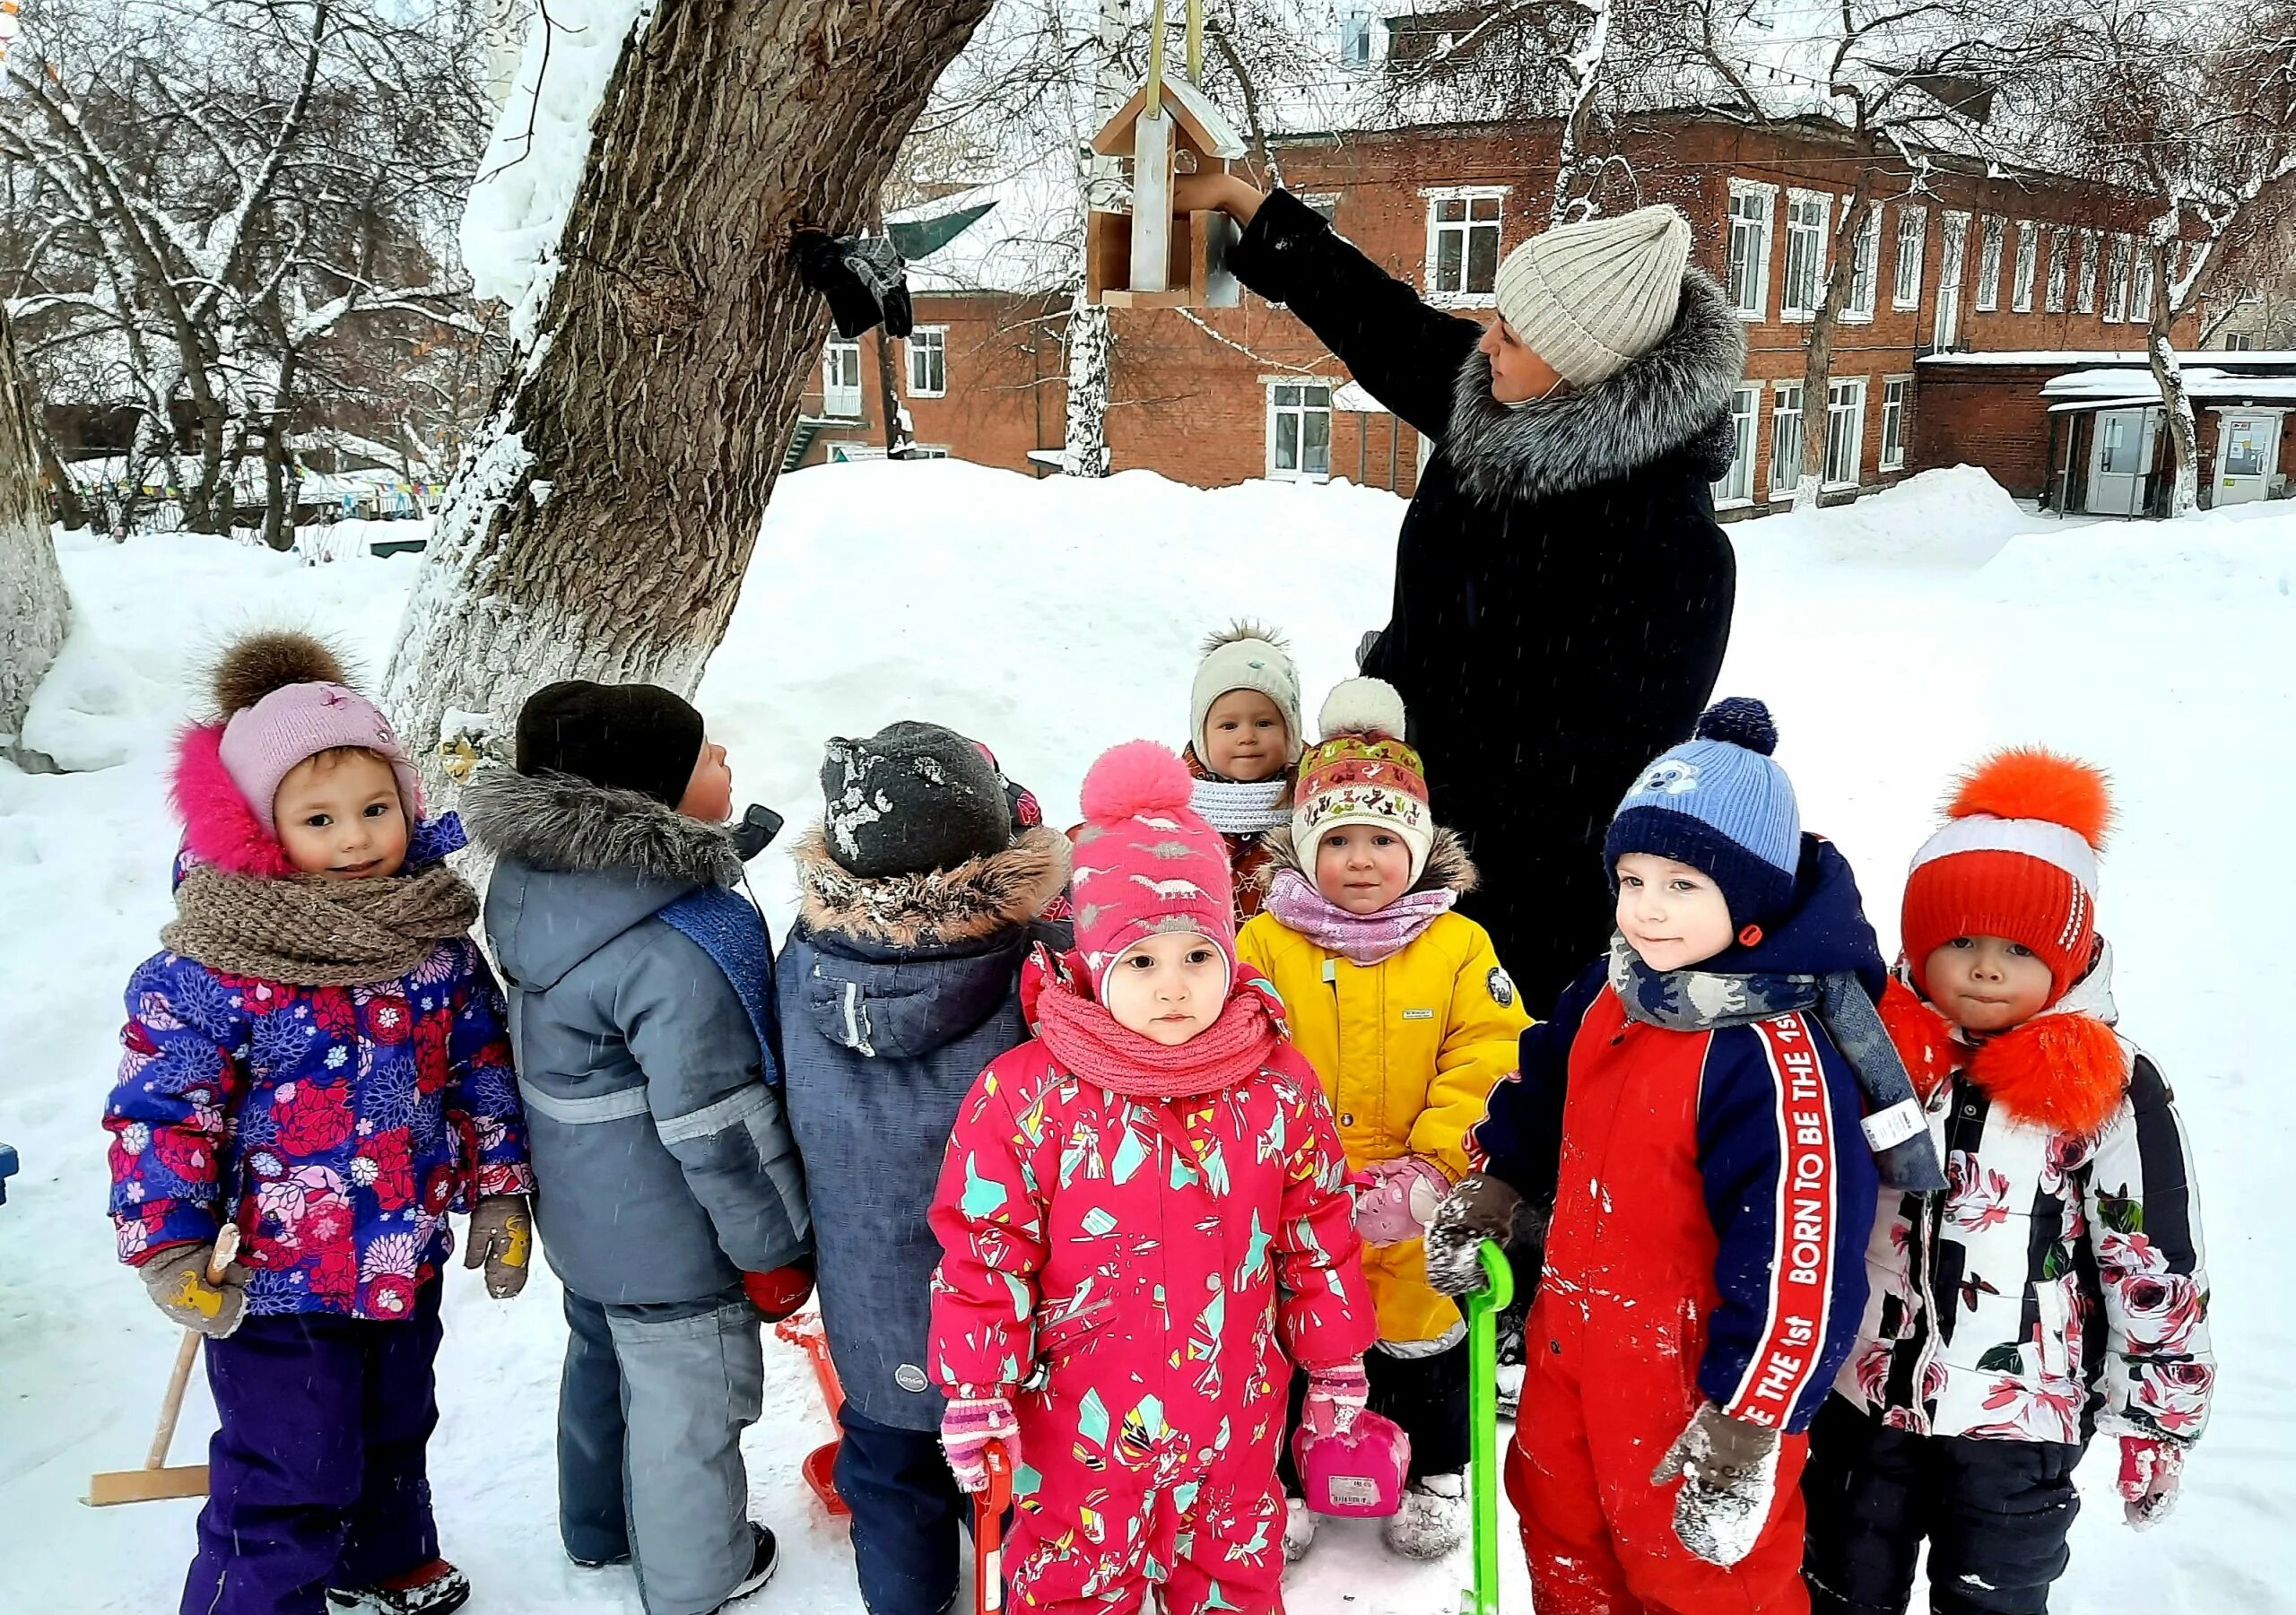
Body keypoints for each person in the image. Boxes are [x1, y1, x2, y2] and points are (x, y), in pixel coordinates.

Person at [1178, 172, 1745, 1019]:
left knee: (1481, 1088)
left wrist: (1420, 817)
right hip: (1393, 821)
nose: (1487, 344)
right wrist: (1250, 208)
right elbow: (1381, 320)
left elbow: (1596, 772)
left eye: (1512, 334)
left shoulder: (1676, 547)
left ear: (1585, 369)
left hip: (1521, 898)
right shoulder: (1498, 397)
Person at [104, 630, 533, 1615]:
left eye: (375, 808)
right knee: (289, 1462)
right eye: (319, 818)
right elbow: (160, 1112)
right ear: (260, 827)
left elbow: (479, 1072)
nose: (354, 839)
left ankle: (384, 1557)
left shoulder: (430, 942)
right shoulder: (210, 966)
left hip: (399, 1252)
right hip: (273, 1275)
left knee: (393, 1424)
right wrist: (167, 1244)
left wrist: (501, 1190)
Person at [1424, 698, 1883, 1615]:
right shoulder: (1614, 986)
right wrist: (1495, 1182)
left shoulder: (1773, 1056)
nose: (1646, 909)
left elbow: (1802, 1251)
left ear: (1748, 900)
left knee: (1699, 1581)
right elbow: (1539, 1085)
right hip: (1571, 1346)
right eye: (1631, 878)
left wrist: (1746, 1423)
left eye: (1681, 885)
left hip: (1693, 1394)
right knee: (1560, 1534)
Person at [927, 741, 1375, 1615]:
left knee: (1235, 1586)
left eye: (1197, 955)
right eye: (1140, 960)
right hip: (1080, 1436)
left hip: (1234, 1429)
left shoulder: (1277, 1082)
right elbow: (984, 1250)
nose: (1174, 986)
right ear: (1093, 960)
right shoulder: (1031, 1096)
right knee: (1071, 1592)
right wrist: (976, 1388)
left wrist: (1336, 1365)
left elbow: (1315, 1230)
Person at [1803, 749, 2215, 1615]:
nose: (1986, 967)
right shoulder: (1870, 1053)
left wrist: (2154, 1419)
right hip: (1863, 1394)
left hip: (2021, 1419)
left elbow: (2154, 1263)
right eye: (1960, 941)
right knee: (1841, 1580)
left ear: (2067, 957)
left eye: (2018, 947)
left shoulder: (2110, 1086)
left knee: (1993, 1594)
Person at [463, 681, 811, 1615]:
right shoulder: (674, 940)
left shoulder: (543, 886)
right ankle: (698, 1572)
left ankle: (601, 1528)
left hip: (585, 1209)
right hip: (671, 1227)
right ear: (644, 795)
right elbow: (717, 1121)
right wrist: (772, 1247)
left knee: (603, 1358)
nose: (727, 763)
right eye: (706, 754)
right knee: (689, 1402)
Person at [778, 722, 1073, 1615]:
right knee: (1017, 1455)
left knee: (887, 1458)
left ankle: (906, 1598)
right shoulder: (1027, 964)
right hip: (996, 1286)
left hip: (865, 1278)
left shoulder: (804, 961)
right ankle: (1026, 1582)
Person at [1234, 676, 1530, 1562]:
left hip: (1415, 1202)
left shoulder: (1457, 947)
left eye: (1380, 839)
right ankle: (1279, 1481)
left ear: (1418, 847)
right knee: (1288, 1344)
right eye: (1337, 840)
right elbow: (1244, 1055)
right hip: (1295, 1199)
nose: (1359, 860)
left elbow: (1489, 1059)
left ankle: (1437, 1468)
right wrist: (1277, 1163)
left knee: (1420, 1346)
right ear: (1302, 847)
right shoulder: (1263, 943)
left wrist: (1433, 1172)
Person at [1183, 621, 1307, 923]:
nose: (1247, 736)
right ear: (1202, 734)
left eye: (1264, 723)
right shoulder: (1169, 808)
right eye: (1229, 725)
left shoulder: (1318, 796)